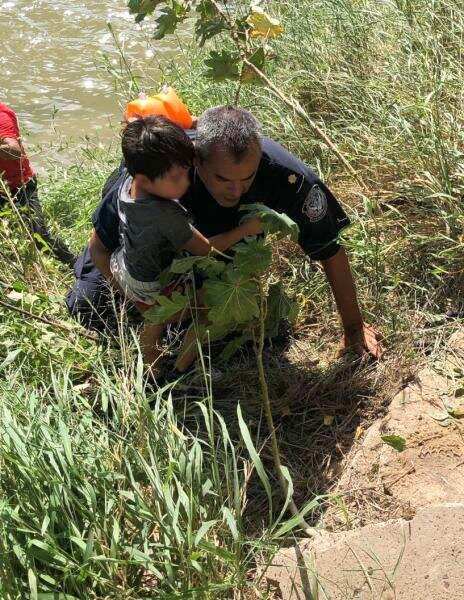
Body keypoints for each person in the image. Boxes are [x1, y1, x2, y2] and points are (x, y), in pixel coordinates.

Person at [66, 106, 382, 359]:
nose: (235, 190)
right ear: (195, 159)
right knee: (87, 306)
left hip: (221, 257)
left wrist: (354, 327)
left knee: (244, 338)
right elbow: (101, 245)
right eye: (222, 179)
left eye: (247, 179)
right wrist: (136, 301)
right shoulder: (162, 166)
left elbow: (329, 248)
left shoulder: (287, 178)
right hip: (144, 252)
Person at [104, 115, 263, 371]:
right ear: (145, 180)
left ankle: (150, 352)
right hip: (151, 284)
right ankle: (178, 366)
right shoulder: (167, 215)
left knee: (159, 310)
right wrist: (246, 229)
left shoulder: (127, 188)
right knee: (205, 303)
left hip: (125, 267)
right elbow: (206, 249)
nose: (187, 183)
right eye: (178, 177)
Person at [0, 102, 75, 267]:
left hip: (19, 186)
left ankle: (77, 265)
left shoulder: (2, 115)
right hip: (2, 187)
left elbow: (14, 150)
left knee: (37, 234)